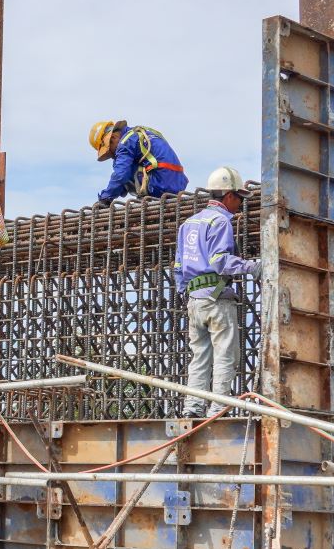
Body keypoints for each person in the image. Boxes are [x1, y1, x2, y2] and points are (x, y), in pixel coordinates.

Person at [175, 166, 260, 418]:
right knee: (226, 355)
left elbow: (178, 266)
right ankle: (218, 408)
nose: (240, 205)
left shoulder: (188, 224)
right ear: (229, 195)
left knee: (199, 357)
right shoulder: (221, 221)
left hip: (194, 300)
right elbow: (220, 261)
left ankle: (192, 408)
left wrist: (187, 294)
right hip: (216, 299)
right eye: (239, 199)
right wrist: (252, 267)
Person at [89, 120, 188, 206]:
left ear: (113, 138)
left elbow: (121, 175)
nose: (113, 155)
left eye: (110, 151)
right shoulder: (139, 134)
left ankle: (143, 198)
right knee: (124, 169)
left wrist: (105, 199)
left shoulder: (126, 142)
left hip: (160, 184)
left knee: (121, 168)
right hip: (177, 184)